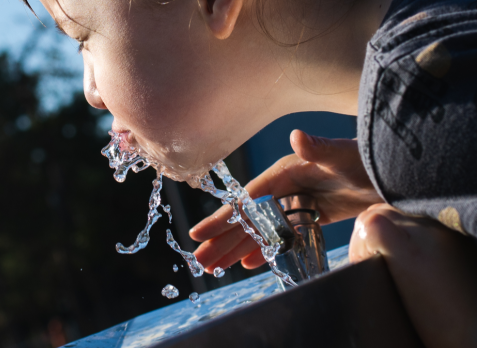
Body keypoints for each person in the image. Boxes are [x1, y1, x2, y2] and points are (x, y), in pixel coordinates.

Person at [25, 0, 477, 346]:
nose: (91, 93)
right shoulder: (441, 68)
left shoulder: (425, 109)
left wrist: (435, 306)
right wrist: (402, 181)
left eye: (83, 38)